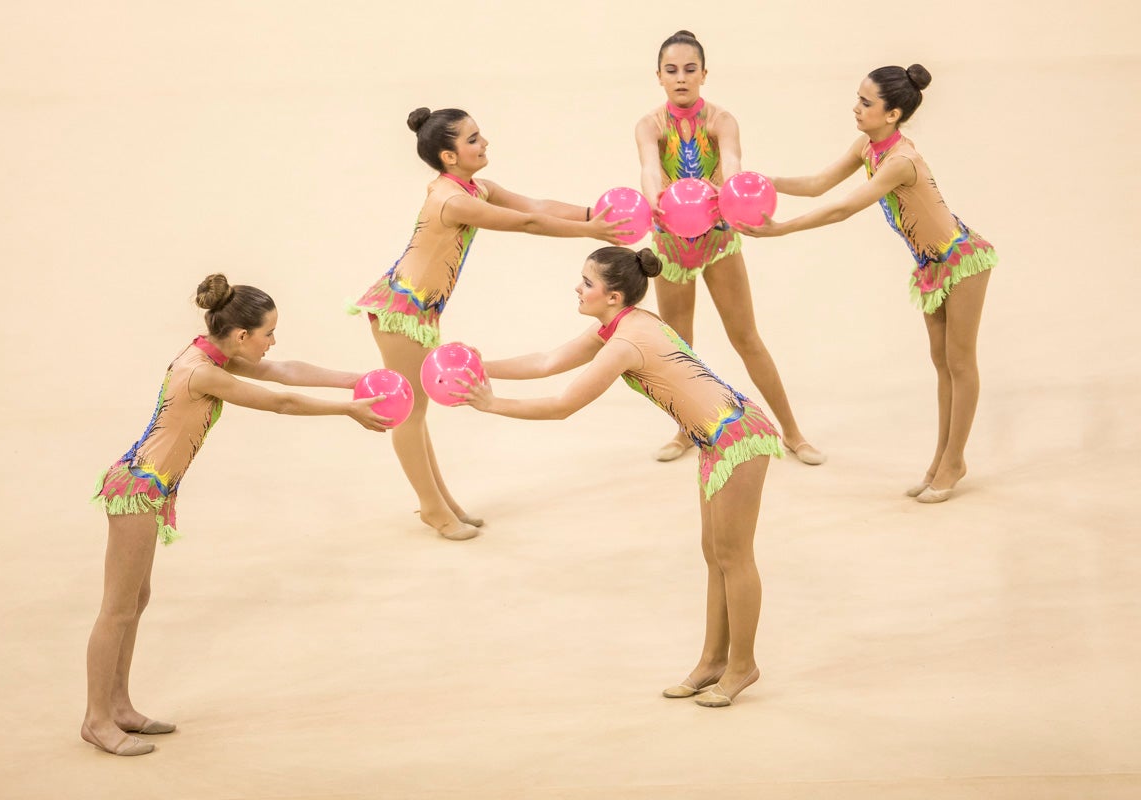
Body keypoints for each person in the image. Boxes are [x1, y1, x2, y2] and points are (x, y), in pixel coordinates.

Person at [457, 246, 782, 707]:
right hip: (717, 438)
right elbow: (547, 360)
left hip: (737, 437)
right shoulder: (625, 324)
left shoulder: (627, 343)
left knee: (734, 556)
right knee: (715, 555)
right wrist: (478, 365)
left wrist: (492, 404)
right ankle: (713, 661)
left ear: (613, 296)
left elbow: (562, 406)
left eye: (587, 282)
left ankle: (743, 666)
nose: (577, 287)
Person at [83, 274, 391, 756]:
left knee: (136, 601)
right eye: (269, 333)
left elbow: (283, 372)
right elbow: (281, 401)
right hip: (137, 491)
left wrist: (355, 380)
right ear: (243, 335)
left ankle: (119, 707)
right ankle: (96, 719)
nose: (273, 342)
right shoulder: (201, 371)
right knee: (118, 608)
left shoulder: (212, 352)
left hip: (153, 489)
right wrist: (348, 410)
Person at [349, 107, 625, 541]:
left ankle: (442, 502)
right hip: (400, 310)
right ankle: (433, 509)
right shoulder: (454, 201)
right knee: (411, 414)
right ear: (449, 155)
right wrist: (592, 232)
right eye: (473, 139)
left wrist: (592, 213)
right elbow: (528, 223)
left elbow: (535, 205)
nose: (485, 143)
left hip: (420, 308)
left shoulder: (475, 188)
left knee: (418, 413)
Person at [739, 64, 997, 503]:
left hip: (963, 261)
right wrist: (764, 182)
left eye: (865, 102)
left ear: (892, 114)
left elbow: (843, 209)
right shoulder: (868, 145)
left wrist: (782, 228)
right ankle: (942, 458)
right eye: (857, 98)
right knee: (941, 362)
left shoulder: (901, 161)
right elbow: (820, 184)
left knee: (959, 362)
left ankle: (953, 461)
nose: (856, 108)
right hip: (931, 265)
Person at [636, 30, 823, 465]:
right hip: (670, 242)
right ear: (659, 77)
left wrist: (721, 191)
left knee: (746, 337)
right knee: (679, 344)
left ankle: (792, 432)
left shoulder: (721, 120)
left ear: (704, 73)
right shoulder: (649, 124)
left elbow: (733, 162)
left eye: (689, 69)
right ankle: (686, 429)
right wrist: (653, 199)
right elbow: (649, 167)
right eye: (671, 70)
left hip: (717, 238)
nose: (681, 78)